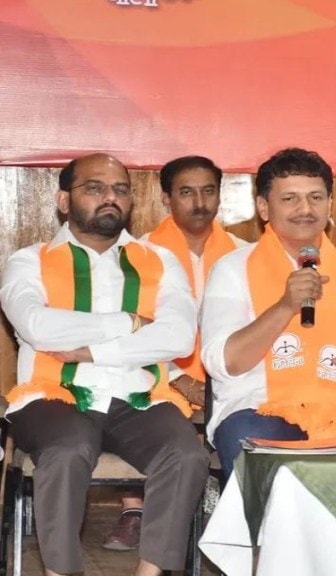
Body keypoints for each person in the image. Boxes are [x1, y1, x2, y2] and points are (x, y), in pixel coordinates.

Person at [0, 153, 209, 576]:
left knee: (187, 454)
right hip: (54, 396)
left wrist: (92, 351)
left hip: (139, 397)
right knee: (67, 449)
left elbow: (177, 337)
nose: (110, 197)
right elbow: (38, 327)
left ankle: (149, 573)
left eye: (120, 190)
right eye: (94, 188)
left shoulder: (159, 260)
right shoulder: (29, 260)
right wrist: (129, 322)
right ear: (64, 200)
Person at [201, 148, 336, 480]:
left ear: (330, 204)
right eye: (290, 199)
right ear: (263, 208)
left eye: (315, 197)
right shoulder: (232, 270)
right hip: (257, 409)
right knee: (260, 460)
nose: (306, 209)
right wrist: (285, 306)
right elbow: (224, 363)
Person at [103, 155, 247, 551]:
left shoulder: (243, 255)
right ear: (166, 198)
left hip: (227, 374)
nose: (199, 202)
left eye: (208, 191)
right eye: (186, 192)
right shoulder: (137, 256)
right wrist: (181, 379)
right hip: (157, 373)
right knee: (136, 398)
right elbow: (132, 335)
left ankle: (232, 515)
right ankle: (135, 510)